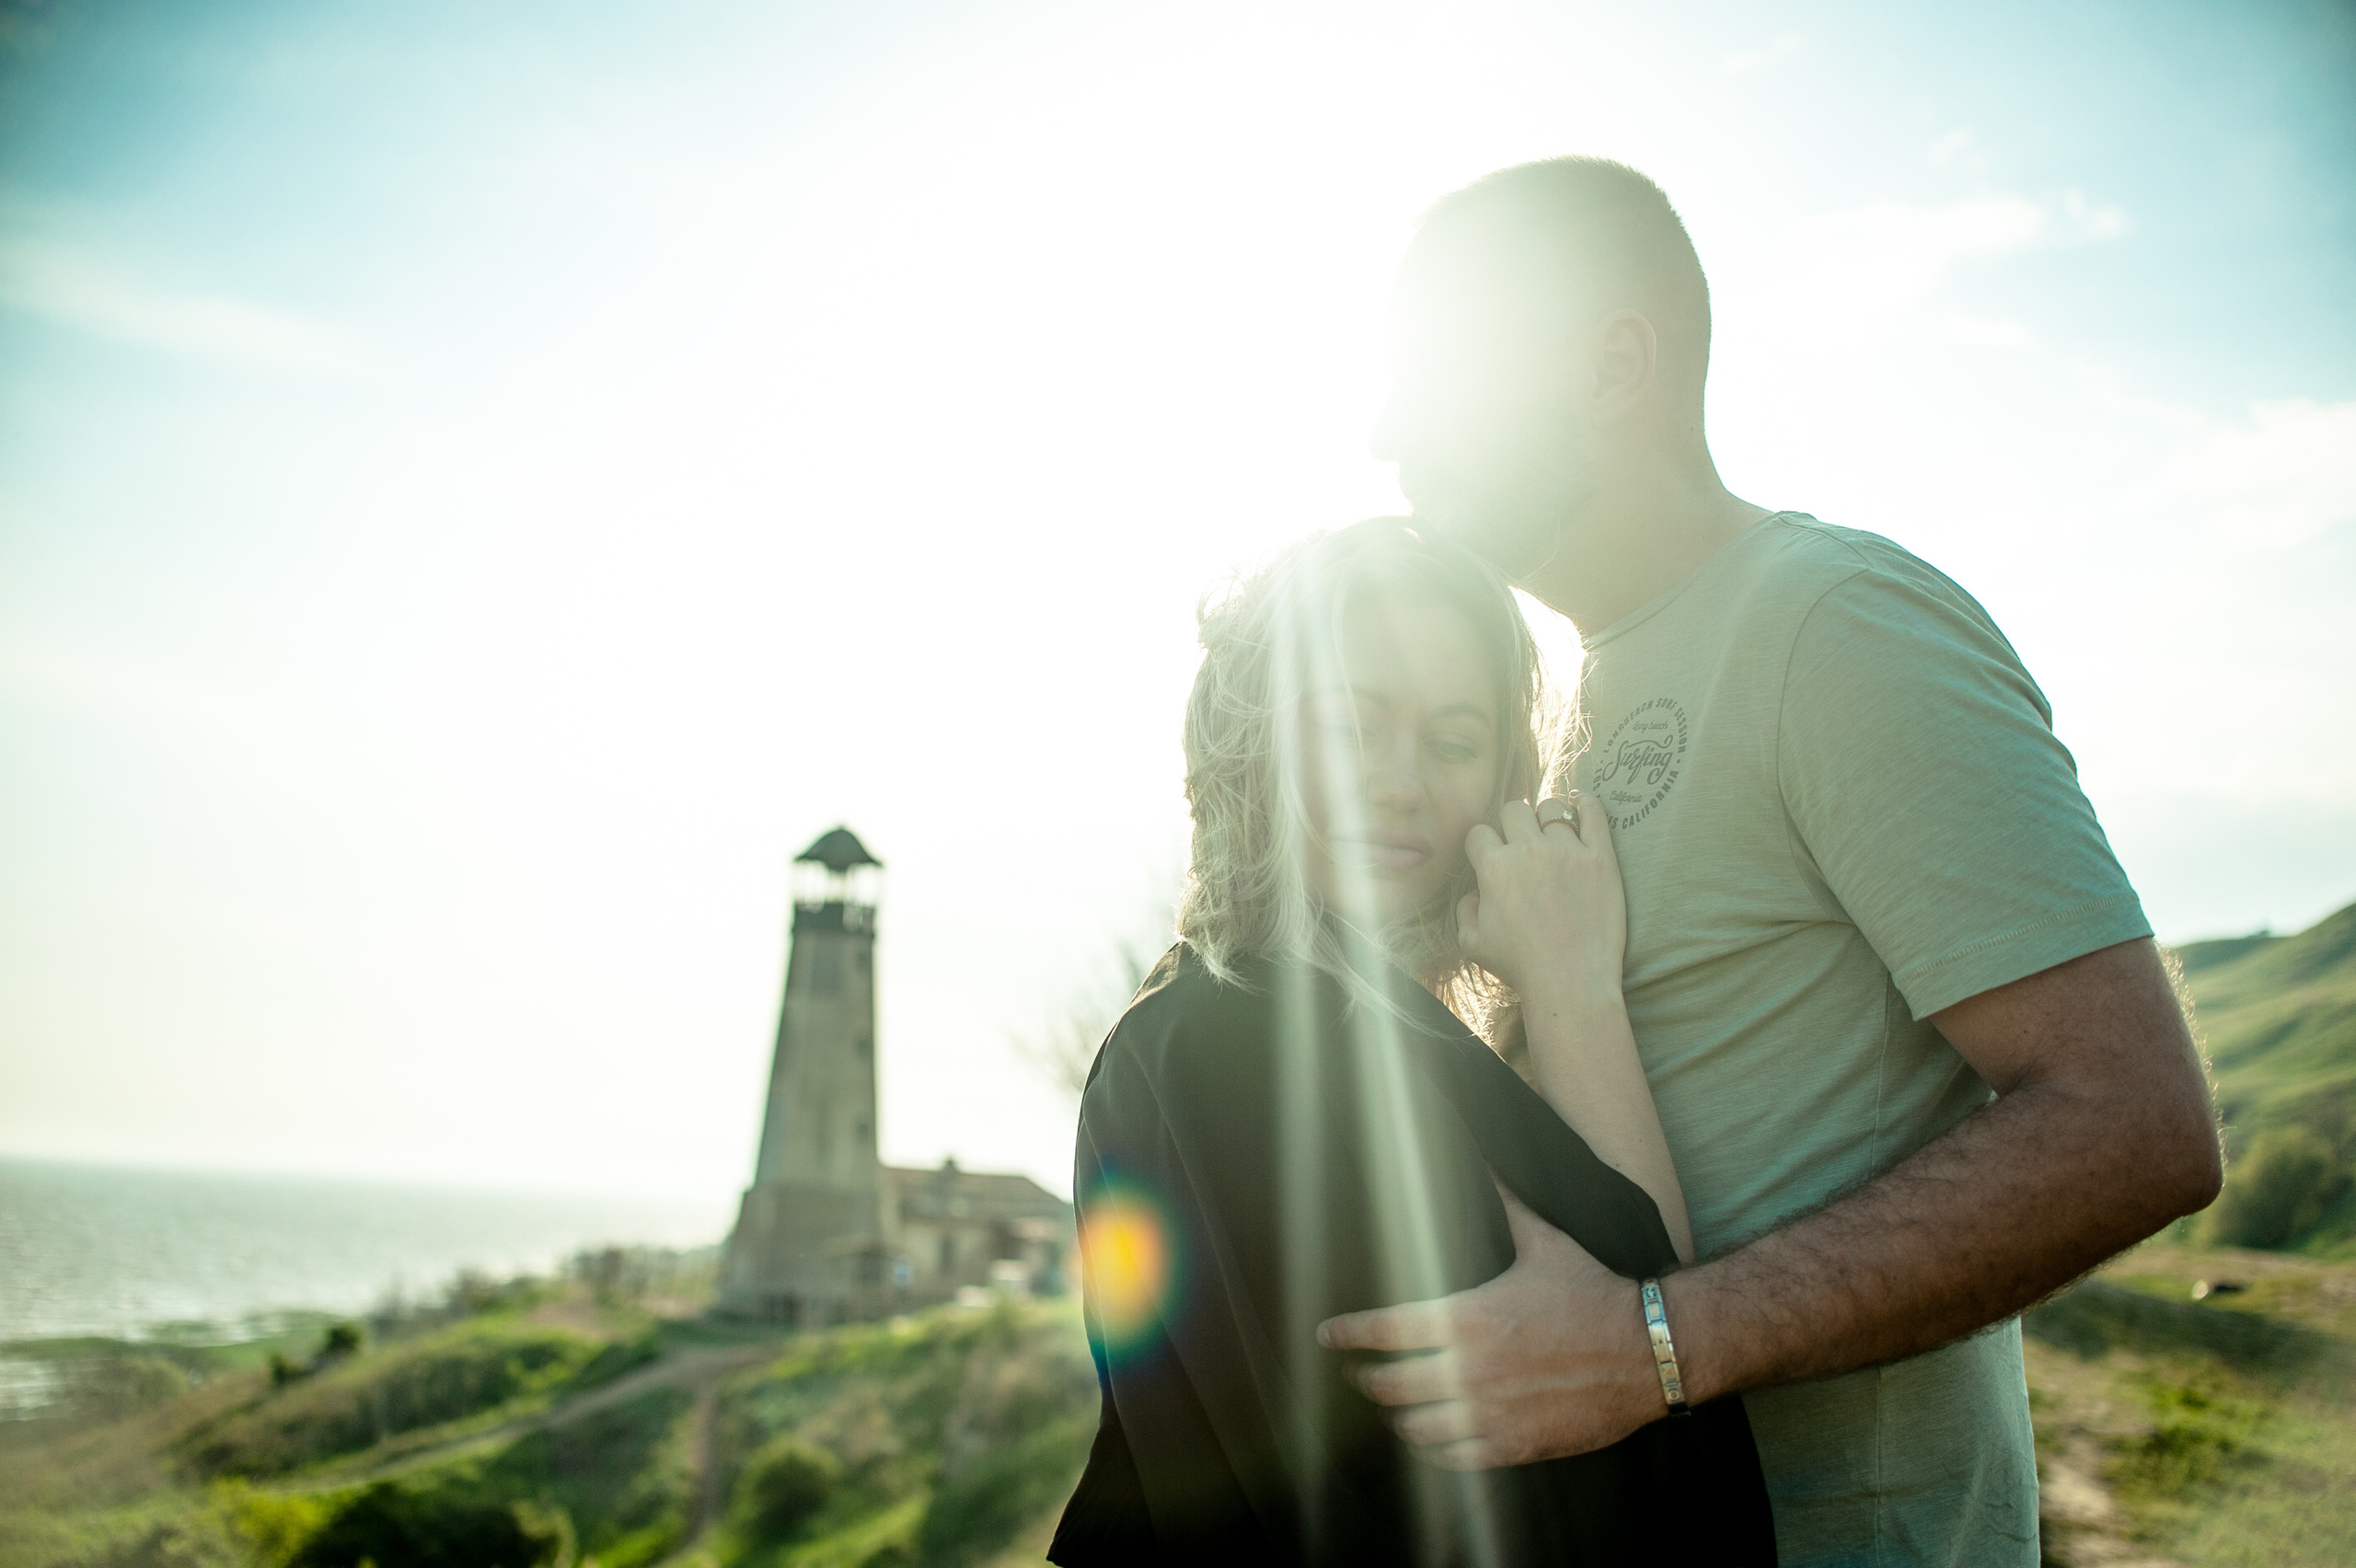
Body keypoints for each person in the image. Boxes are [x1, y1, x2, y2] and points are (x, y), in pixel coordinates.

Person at [1315, 156, 2223, 1566]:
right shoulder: (1554, 707)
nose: (1387, 430)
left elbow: (2135, 1121)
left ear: (1613, 366)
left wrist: (1654, 1350)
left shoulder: (1836, 626)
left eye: (1435, 376)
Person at [1048, 520, 1777, 1563]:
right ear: (1253, 737)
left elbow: (1615, 1339)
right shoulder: (1231, 1037)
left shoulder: (1356, 1022)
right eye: (1352, 726)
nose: (1400, 783)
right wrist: (1574, 986)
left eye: (1452, 741)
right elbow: (1632, 1323)